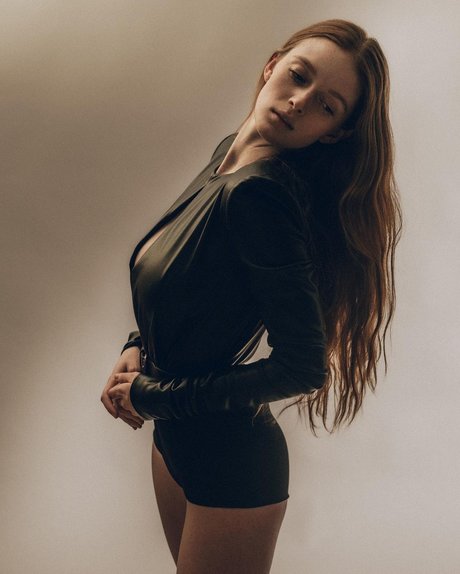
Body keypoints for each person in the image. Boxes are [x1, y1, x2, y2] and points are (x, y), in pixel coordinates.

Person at [100, 18, 401, 574]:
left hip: (230, 464)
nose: (299, 101)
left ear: (332, 133)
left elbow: (303, 366)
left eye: (327, 105)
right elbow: (191, 282)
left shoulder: (260, 195)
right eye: (299, 76)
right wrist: (137, 345)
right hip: (176, 442)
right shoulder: (230, 158)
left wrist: (156, 397)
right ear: (271, 66)